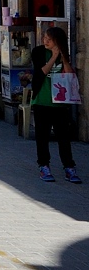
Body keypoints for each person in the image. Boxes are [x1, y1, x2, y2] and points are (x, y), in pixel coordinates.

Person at [30, 27, 81, 183]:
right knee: (42, 136)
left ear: (57, 41)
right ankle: (44, 166)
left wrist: (63, 57)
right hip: (42, 101)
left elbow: (69, 76)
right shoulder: (38, 52)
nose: (45, 41)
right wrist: (53, 56)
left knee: (63, 137)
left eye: (49, 39)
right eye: (45, 37)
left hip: (60, 103)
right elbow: (41, 73)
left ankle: (69, 167)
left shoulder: (64, 54)